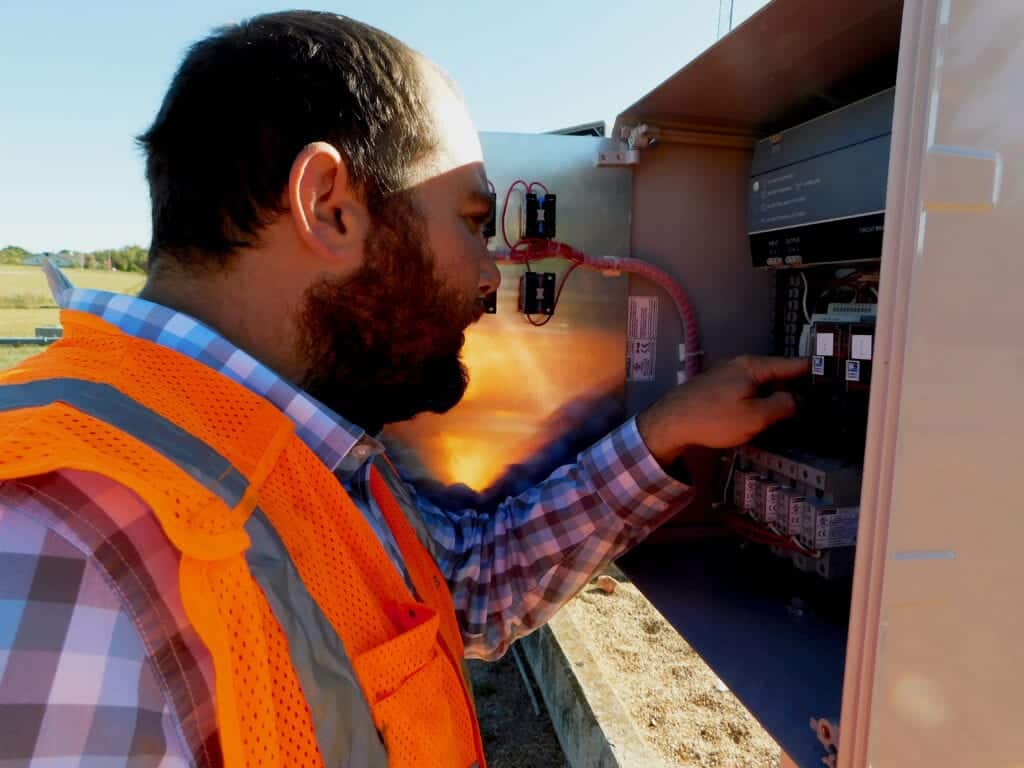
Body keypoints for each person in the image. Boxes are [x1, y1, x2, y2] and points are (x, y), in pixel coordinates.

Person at [0, 11, 807, 767]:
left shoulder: (308, 453)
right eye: (468, 218)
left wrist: (662, 433)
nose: (491, 273)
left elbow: (466, 591)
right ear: (330, 208)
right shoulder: (55, 544)